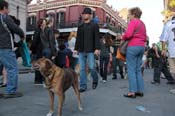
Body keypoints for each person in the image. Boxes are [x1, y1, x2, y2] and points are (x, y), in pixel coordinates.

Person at [0, 1, 25, 98]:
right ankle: (11, 91)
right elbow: (16, 28)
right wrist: (22, 35)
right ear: (4, 8)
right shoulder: (5, 17)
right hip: (5, 47)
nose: (9, 9)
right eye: (8, 7)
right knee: (12, 68)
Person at [122, 7, 146, 98]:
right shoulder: (142, 23)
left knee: (131, 70)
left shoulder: (133, 22)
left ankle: (132, 91)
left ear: (134, 14)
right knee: (138, 70)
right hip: (141, 47)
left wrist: (122, 37)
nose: (129, 16)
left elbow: (128, 34)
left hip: (133, 46)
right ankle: (140, 90)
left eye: (129, 14)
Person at [74, 7, 100, 92]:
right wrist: (76, 48)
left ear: (90, 15)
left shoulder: (94, 25)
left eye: (86, 14)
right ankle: (83, 86)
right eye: (83, 14)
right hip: (81, 50)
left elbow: (97, 37)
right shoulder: (80, 26)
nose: (84, 15)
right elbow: (78, 38)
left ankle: (95, 79)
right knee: (82, 69)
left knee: (92, 67)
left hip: (91, 50)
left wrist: (97, 48)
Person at [160, 15, 175, 93]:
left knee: (173, 70)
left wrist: (163, 49)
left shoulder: (168, 24)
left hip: (172, 50)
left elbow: (164, 39)